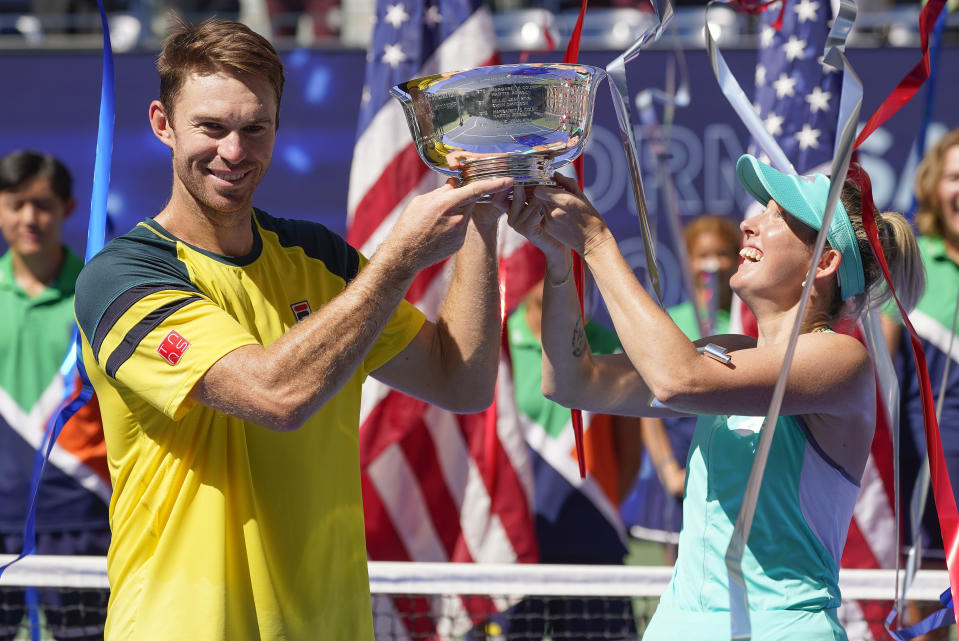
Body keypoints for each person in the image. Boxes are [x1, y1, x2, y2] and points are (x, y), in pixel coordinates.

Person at [72, 18, 513, 641]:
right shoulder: (121, 277)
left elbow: (461, 382)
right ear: (162, 124)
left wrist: (480, 214)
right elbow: (274, 397)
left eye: (255, 128)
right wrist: (397, 258)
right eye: (211, 127)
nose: (234, 150)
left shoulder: (321, 257)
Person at [507, 154, 925, 640]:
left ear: (825, 262)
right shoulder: (725, 351)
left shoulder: (840, 361)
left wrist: (597, 242)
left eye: (778, 217)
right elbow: (573, 382)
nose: (748, 224)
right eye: (761, 211)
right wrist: (561, 261)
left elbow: (676, 380)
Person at [481, 277, 640, 640]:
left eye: (573, 259)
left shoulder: (612, 344)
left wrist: (597, 506)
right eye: (545, 257)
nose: (560, 268)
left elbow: (629, 456)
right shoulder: (496, 344)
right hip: (512, 547)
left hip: (592, 543)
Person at [0, 150, 110, 641]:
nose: (29, 218)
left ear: (68, 208)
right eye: (17, 203)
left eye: (42, 205)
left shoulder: (103, 293)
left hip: (82, 513)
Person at [622, 215, 741, 562]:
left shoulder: (748, 323)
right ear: (688, 260)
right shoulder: (669, 322)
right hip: (682, 465)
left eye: (722, 253)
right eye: (703, 254)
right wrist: (669, 471)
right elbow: (650, 409)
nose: (712, 264)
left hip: (736, 471)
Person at [881, 128, 959, 639]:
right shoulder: (910, 268)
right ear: (933, 186)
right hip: (929, 504)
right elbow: (872, 377)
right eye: (956, 176)